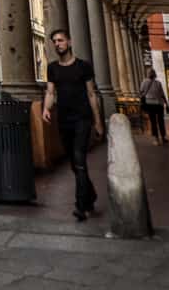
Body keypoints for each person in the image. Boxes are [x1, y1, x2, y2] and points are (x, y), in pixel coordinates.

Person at [43, 28, 104, 222]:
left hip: (82, 119)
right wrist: (46, 109)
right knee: (75, 165)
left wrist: (98, 122)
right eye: (54, 41)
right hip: (64, 120)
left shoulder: (83, 66)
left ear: (68, 42)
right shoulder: (52, 68)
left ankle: (81, 206)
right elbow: (50, 92)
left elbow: (92, 94)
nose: (57, 44)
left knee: (79, 160)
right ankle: (91, 195)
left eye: (60, 40)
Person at [140, 67, 169, 145]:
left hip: (151, 104)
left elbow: (141, 92)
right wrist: (166, 103)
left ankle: (157, 139)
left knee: (154, 122)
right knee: (160, 121)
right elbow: (162, 94)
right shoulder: (158, 82)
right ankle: (162, 137)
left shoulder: (144, 82)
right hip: (159, 104)